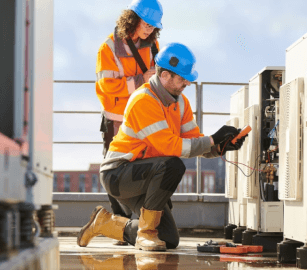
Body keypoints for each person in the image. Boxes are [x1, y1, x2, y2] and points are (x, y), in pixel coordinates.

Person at [78, 43, 245, 251]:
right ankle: (145, 234)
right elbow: (169, 146)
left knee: (168, 239)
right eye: (182, 78)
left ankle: (104, 223)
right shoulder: (143, 100)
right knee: (173, 165)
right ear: (165, 75)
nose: (187, 83)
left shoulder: (180, 102)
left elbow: (193, 140)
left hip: (146, 175)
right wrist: (211, 140)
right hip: (119, 173)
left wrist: (220, 147)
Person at [95, 0, 163, 225]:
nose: (149, 29)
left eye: (153, 26)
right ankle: (118, 223)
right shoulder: (109, 47)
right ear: (132, 19)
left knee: (143, 167)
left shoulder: (154, 45)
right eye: (146, 24)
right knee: (114, 171)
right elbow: (107, 86)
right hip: (116, 120)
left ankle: (140, 223)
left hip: (142, 119)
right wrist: (141, 80)